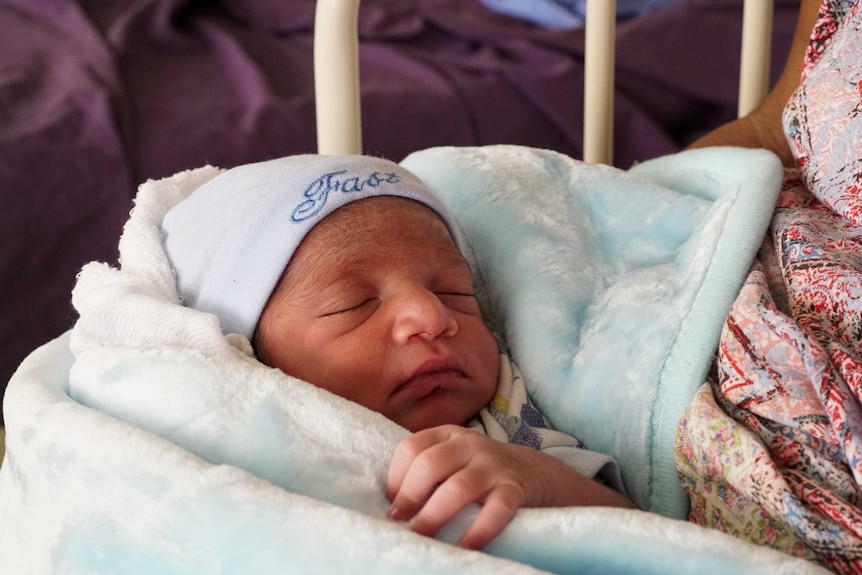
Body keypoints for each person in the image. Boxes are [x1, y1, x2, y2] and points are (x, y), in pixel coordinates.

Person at [160, 154, 635, 552]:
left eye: (453, 292)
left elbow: (653, 537)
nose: (433, 318)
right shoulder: (238, 444)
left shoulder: (508, 417)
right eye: (355, 304)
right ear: (250, 354)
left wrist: (539, 479)